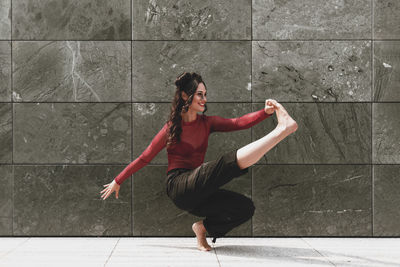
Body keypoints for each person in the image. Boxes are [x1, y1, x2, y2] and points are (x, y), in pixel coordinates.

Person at [100, 72, 298, 251]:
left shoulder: (207, 123)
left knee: (245, 207)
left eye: (205, 94)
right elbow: (145, 157)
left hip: (200, 191)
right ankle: (281, 131)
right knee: (223, 164)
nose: (204, 99)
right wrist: (118, 180)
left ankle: (202, 228)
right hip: (179, 186)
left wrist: (265, 113)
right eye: (200, 94)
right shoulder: (171, 127)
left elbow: (238, 123)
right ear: (186, 96)